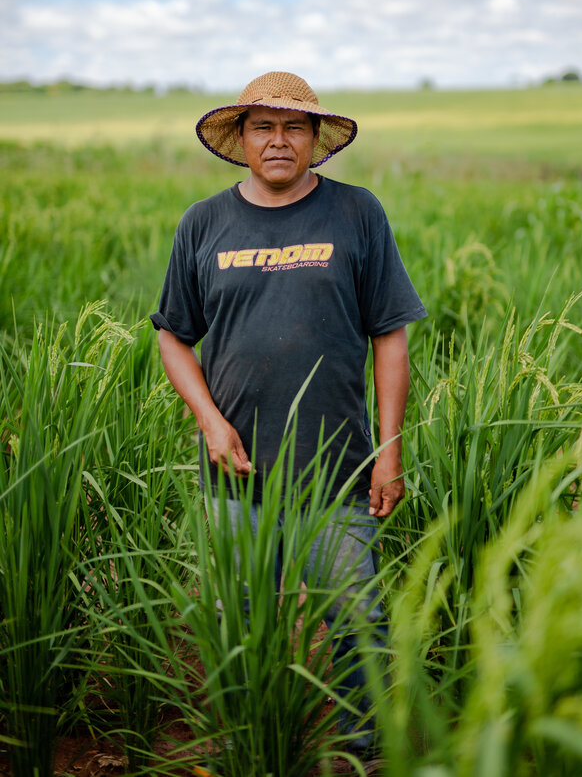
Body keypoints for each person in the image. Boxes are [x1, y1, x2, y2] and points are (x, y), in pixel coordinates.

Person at [150, 70, 426, 761]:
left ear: (314, 139)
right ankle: (252, 750)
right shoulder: (204, 222)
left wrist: (387, 452)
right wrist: (210, 421)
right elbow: (171, 333)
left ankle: (362, 755)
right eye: (263, 126)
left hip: (337, 468)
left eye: (293, 126)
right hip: (236, 478)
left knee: (358, 623)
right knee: (241, 626)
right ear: (241, 138)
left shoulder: (356, 213)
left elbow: (389, 334)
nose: (278, 140)